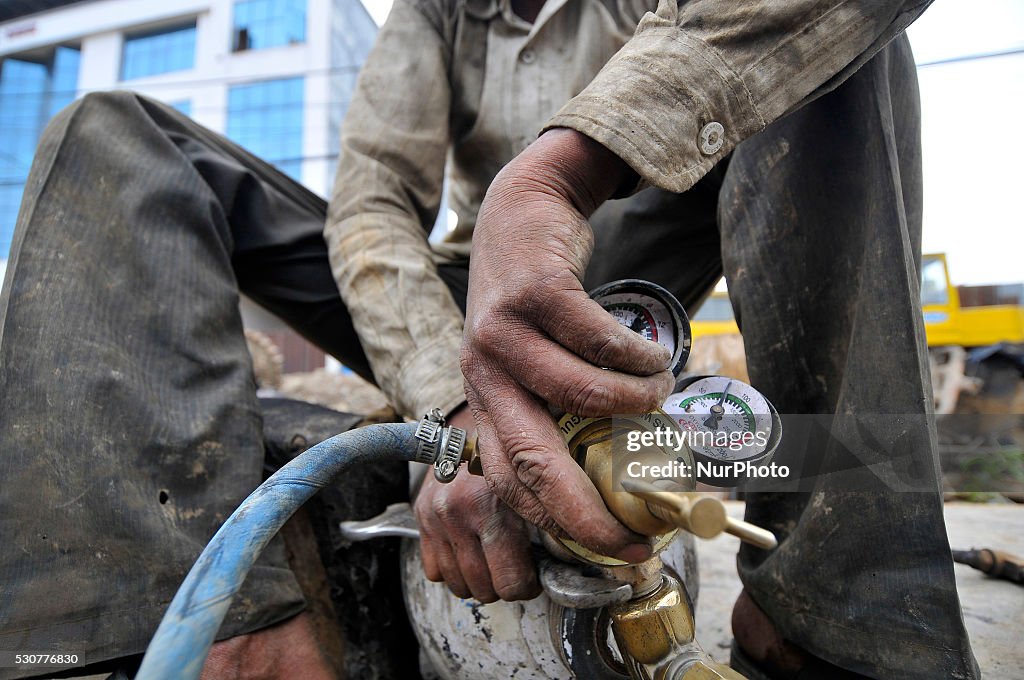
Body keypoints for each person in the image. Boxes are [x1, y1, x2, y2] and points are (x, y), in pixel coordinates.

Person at [0, 0, 979, 679]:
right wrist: (455, 399)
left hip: (601, 272)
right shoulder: (437, 14)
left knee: (822, 45)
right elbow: (373, 208)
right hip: (457, 294)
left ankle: (832, 601)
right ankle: (218, 619)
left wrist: (559, 171)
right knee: (115, 134)